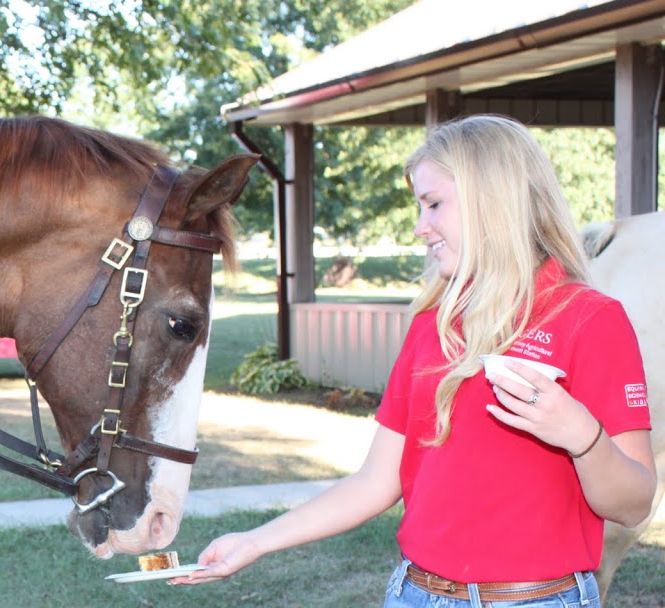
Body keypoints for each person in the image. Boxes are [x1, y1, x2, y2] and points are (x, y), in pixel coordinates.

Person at [170, 114, 656, 606]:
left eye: (434, 205)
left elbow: (634, 504)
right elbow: (376, 481)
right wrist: (254, 542)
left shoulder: (590, 319)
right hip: (414, 594)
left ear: (494, 201)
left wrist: (581, 436)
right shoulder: (435, 322)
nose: (421, 228)